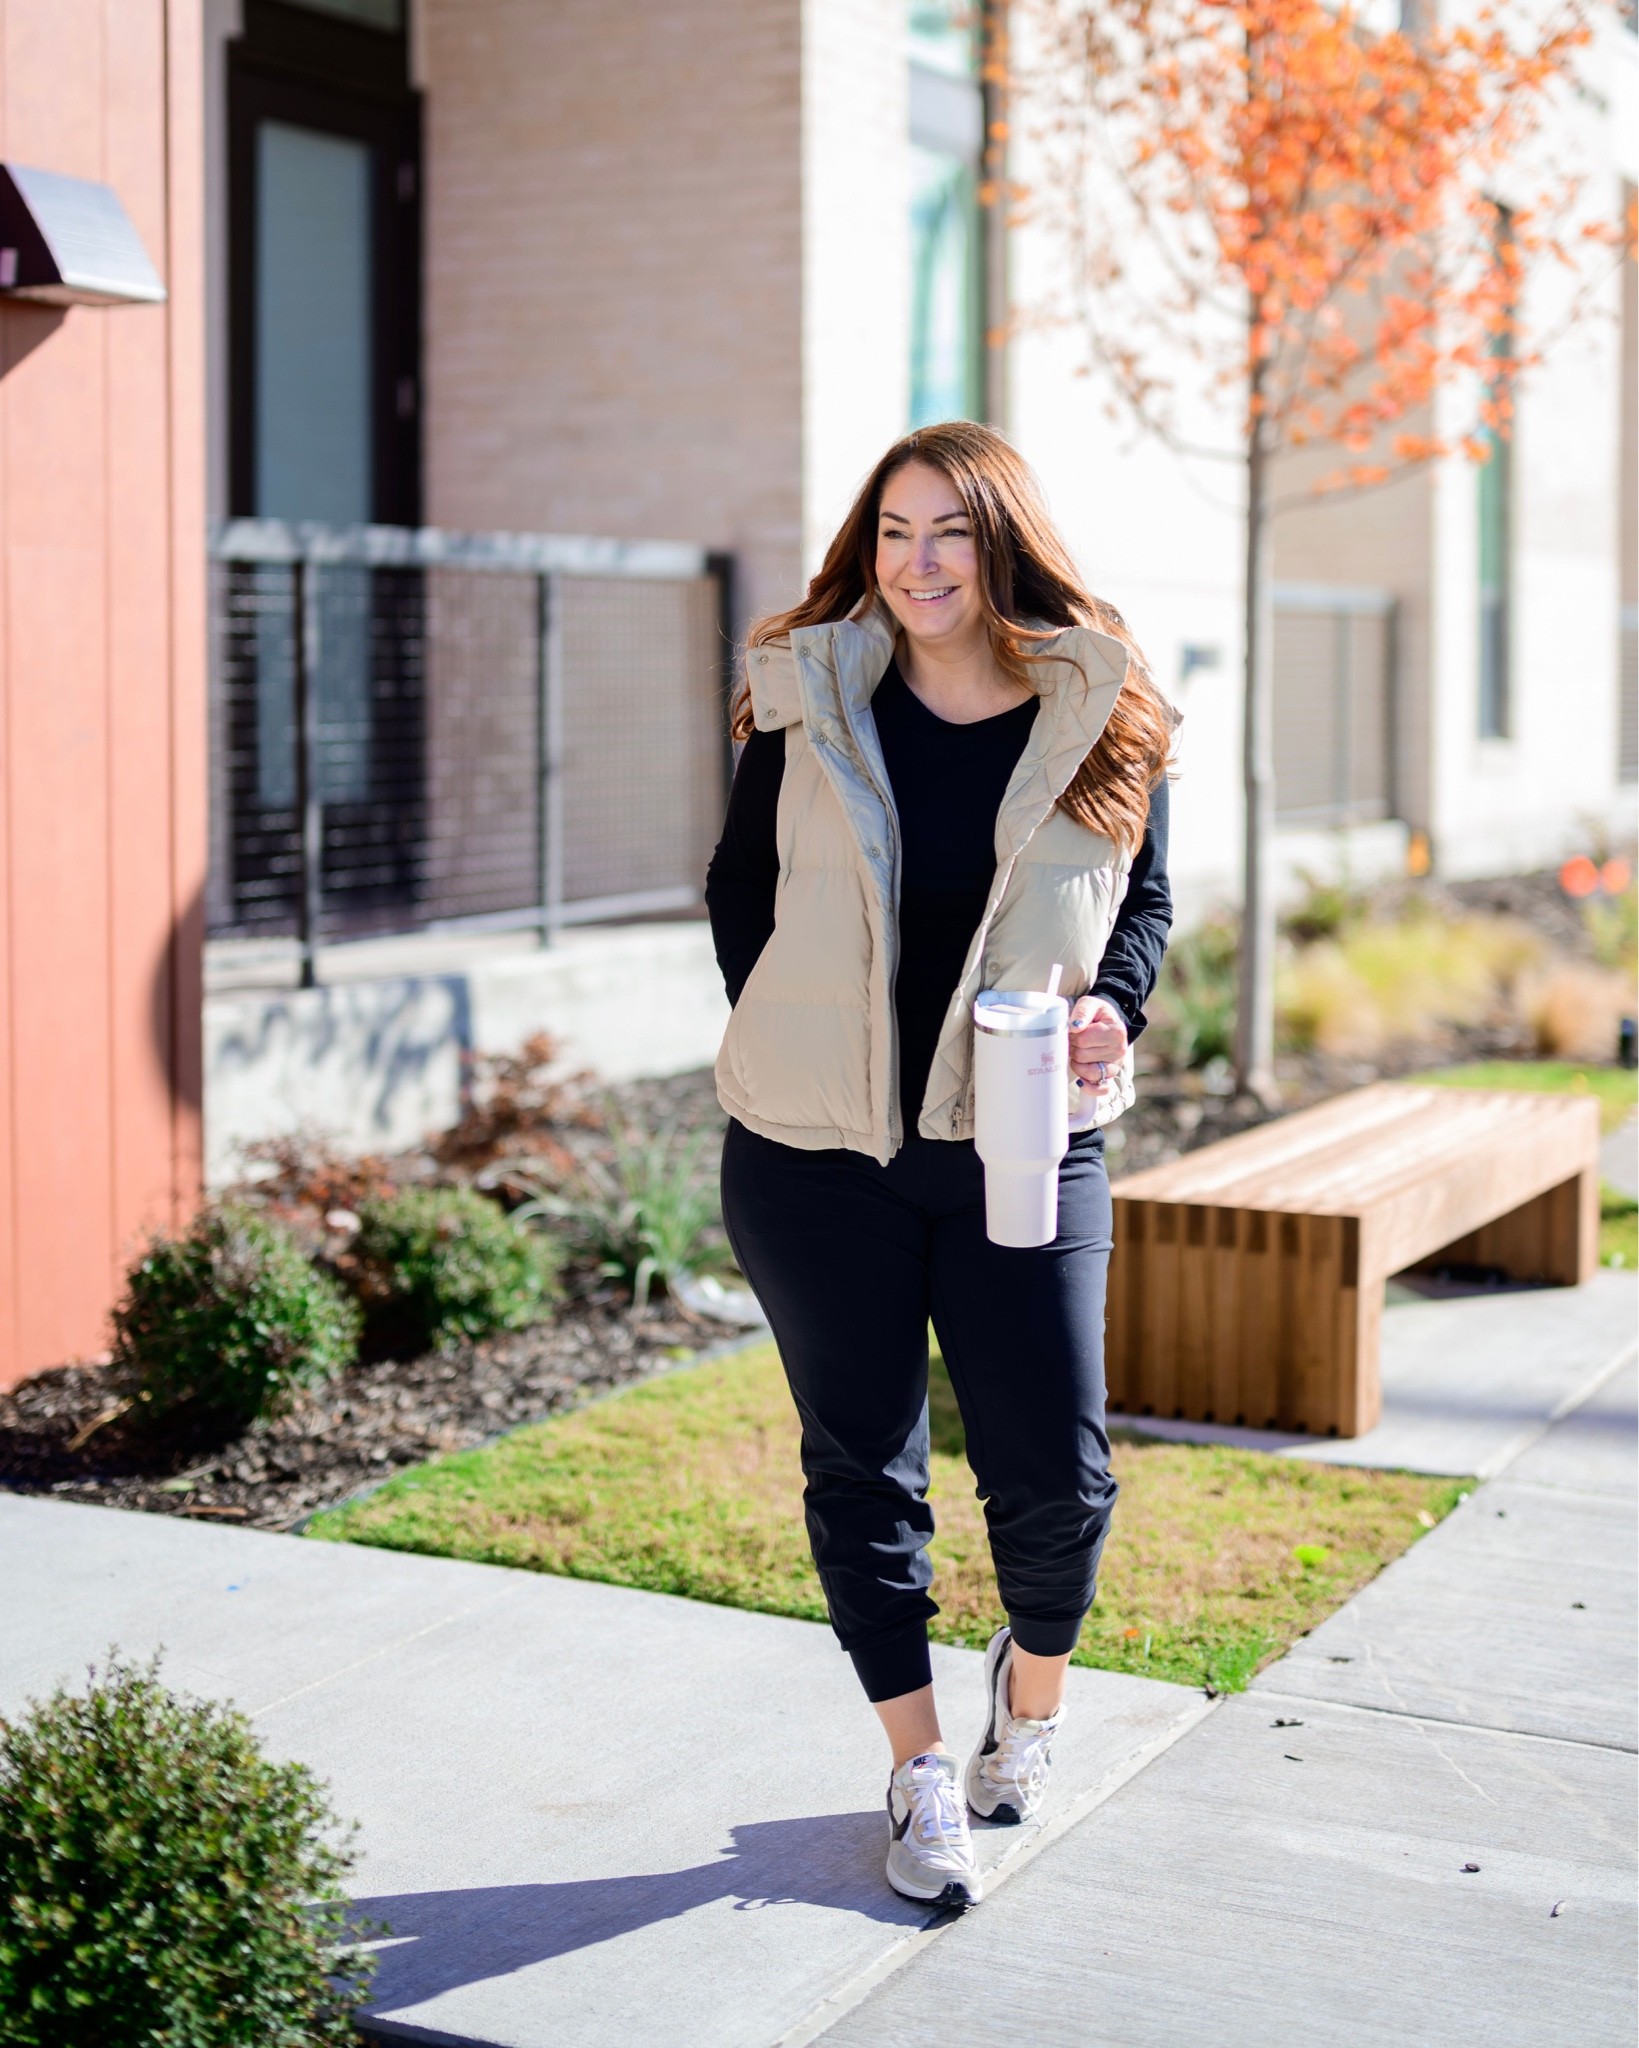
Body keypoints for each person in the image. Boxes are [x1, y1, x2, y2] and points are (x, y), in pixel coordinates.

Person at [704, 421, 1174, 1912]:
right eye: (894, 532)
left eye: (949, 534)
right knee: (863, 1471)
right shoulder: (806, 694)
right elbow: (737, 895)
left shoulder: (1100, 709)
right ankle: (916, 1766)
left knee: (1057, 1478)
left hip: (1023, 1147)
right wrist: (807, 1046)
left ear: (1002, 544)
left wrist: (1114, 1010)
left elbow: (1146, 902)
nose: (918, 564)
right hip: (816, 1158)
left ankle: (1025, 1709)